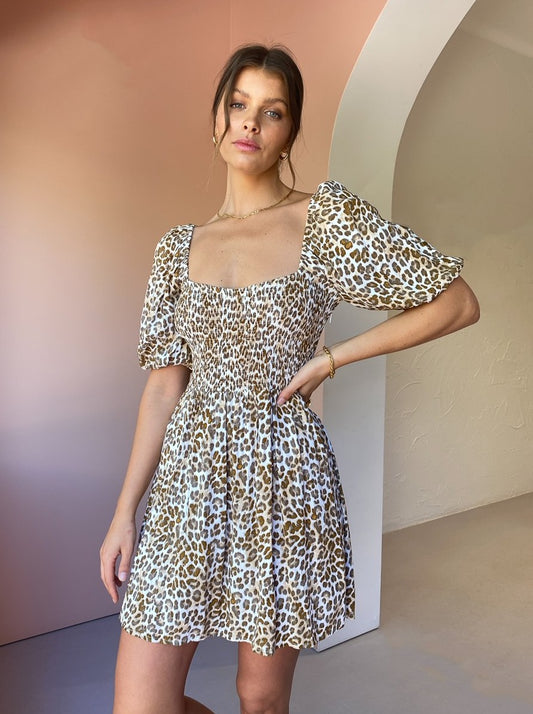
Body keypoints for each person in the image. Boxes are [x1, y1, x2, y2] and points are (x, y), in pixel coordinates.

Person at [100, 44, 479, 714]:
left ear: (290, 131)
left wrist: (334, 358)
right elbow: (163, 387)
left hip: (282, 479)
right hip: (188, 481)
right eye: (238, 104)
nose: (251, 122)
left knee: (260, 697)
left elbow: (456, 303)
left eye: (272, 112)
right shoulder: (177, 248)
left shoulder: (324, 221)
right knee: (141, 704)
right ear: (217, 119)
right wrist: (124, 513)